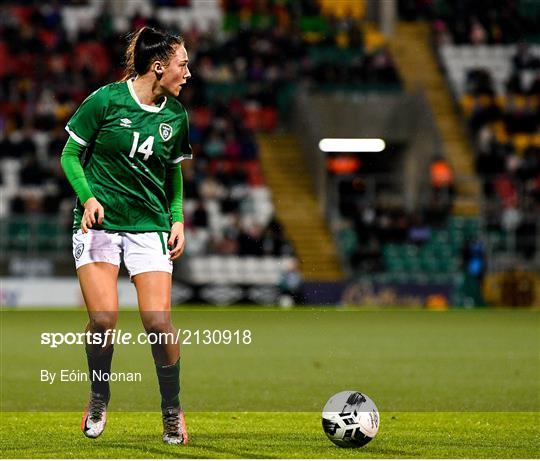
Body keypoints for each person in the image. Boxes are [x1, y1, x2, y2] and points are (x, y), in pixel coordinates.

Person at [60, 27, 192, 445]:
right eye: (182, 64)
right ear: (158, 67)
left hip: (149, 227)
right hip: (99, 224)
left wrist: (176, 218)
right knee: (103, 319)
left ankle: (171, 411)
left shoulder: (176, 116)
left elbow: (173, 172)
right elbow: (69, 154)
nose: (187, 72)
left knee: (158, 322)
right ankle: (99, 397)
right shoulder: (105, 101)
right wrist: (89, 197)